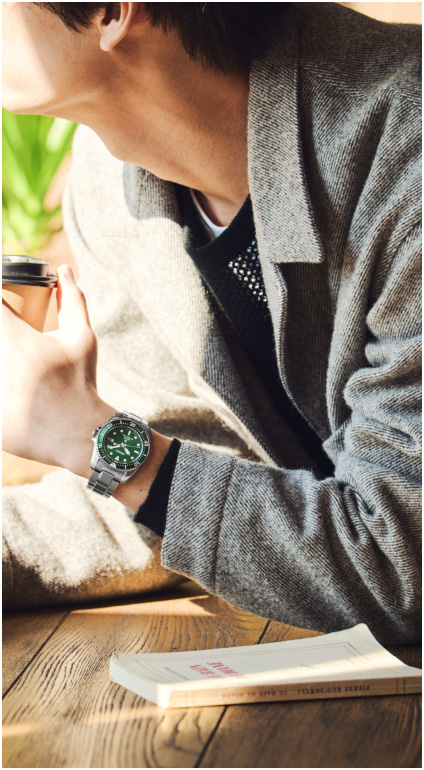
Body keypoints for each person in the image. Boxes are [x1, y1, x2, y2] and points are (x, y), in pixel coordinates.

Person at [2, 2, 421, 644]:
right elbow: (183, 484)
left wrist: (91, 438)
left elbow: (401, 564)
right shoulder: (109, 180)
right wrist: (102, 452)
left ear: (111, 10)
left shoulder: (405, 153)